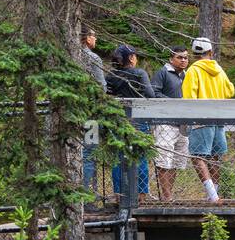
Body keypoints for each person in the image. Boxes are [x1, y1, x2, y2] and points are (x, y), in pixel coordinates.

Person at [181, 36, 235, 203]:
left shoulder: (193, 70)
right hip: (218, 118)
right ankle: (214, 194)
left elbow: (189, 96)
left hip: (200, 119)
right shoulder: (219, 70)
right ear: (210, 51)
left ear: (194, 53)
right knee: (214, 157)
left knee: (198, 157)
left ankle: (212, 196)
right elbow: (230, 91)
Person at [105, 44, 154, 199]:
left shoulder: (111, 76)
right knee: (140, 156)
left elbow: (108, 95)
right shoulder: (139, 73)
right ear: (131, 57)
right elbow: (150, 94)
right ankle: (141, 193)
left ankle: (120, 194)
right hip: (139, 120)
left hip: (118, 120)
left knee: (119, 157)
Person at [150, 46, 189, 202]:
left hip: (182, 125)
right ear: (171, 58)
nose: (184, 60)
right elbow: (154, 93)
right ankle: (166, 197)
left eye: (186, 57)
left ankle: (169, 195)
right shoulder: (162, 73)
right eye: (180, 57)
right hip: (164, 124)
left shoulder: (187, 75)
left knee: (175, 162)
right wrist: (174, 104)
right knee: (163, 161)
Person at [80, 26, 106, 192]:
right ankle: (88, 196)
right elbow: (100, 85)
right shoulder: (92, 58)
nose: (95, 39)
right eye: (94, 36)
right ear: (87, 38)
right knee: (89, 154)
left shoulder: (65, 55)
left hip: (67, 114)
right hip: (90, 114)